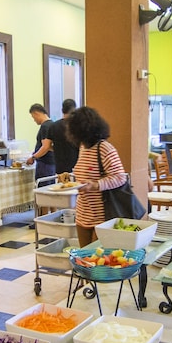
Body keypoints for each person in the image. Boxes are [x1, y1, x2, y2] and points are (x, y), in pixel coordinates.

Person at [67, 106, 129, 247]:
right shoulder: (83, 148)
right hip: (83, 213)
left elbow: (120, 177)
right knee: (85, 256)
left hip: (103, 215)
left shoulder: (104, 148)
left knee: (98, 256)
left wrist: (96, 185)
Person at [26, 103, 56, 183]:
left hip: (44, 164)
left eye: (33, 117)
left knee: (42, 187)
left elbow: (45, 147)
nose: (34, 120)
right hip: (52, 162)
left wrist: (33, 157)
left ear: (36, 113)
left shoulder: (45, 126)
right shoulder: (52, 124)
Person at [50, 99, 79, 175]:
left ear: (62, 110)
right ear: (74, 109)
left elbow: (47, 146)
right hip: (76, 164)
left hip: (60, 165)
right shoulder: (78, 125)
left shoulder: (54, 126)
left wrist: (57, 148)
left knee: (61, 182)